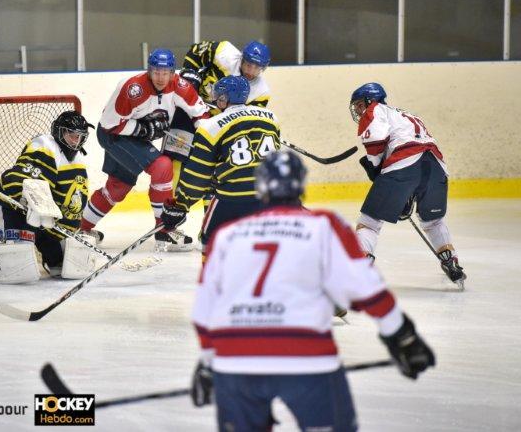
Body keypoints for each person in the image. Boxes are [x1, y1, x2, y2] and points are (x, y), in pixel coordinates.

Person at [190, 150, 436, 432]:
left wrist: (208, 362)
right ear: (301, 185)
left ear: (260, 187)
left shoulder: (227, 235)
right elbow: (366, 290)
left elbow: (205, 309)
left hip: (236, 362)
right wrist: (402, 336)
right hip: (306, 359)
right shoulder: (324, 226)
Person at [79, 49, 209, 252]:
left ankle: (82, 229)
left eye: (165, 73)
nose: (160, 78)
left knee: (119, 186)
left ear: (173, 72)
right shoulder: (133, 89)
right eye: (156, 72)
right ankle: (164, 230)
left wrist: (208, 140)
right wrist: (144, 129)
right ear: (149, 70)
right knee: (162, 166)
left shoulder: (180, 86)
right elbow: (109, 124)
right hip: (114, 135)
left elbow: (201, 114)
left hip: (132, 138)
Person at [349, 82, 465, 287]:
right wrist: (405, 192)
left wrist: (375, 167)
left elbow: (376, 140)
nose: (358, 110)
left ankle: (360, 265)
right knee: (433, 221)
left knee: (369, 222)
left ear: (370, 100)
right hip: (436, 167)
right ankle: (450, 259)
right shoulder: (406, 114)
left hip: (403, 163)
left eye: (359, 105)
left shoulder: (375, 110)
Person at [161, 75, 280, 261]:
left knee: (209, 241)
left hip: (233, 198)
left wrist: (181, 205)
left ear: (224, 98)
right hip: (271, 197)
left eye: (218, 97)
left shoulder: (210, 126)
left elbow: (198, 175)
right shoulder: (272, 118)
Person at [0, 111, 93, 276]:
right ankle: (0, 248)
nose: (75, 141)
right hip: (13, 210)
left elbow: (74, 201)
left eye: (79, 137)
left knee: (66, 263)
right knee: (17, 264)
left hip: (45, 220)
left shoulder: (78, 160)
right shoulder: (44, 146)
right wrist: (31, 203)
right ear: (59, 132)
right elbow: (15, 182)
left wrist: (66, 232)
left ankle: (48, 249)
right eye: (71, 135)